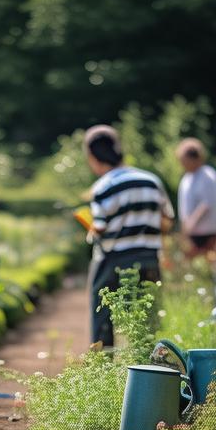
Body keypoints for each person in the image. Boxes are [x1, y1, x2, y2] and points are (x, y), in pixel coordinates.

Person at [83, 124, 175, 347]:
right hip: (149, 258)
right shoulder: (152, 181)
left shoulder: (103, 187)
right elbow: (167, 220)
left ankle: (103, 359)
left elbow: (100, 227)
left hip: (113, 260)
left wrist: (91, 230)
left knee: (102, 312)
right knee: (148, 317)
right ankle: (148, 360)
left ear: (93, 157)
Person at [175, 137, 216, 258]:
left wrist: (190, 225)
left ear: (193, 158)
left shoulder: (208, 176)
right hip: (190, 234)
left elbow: (206, 204)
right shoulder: (187, 178)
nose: (182, 164)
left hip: (205, 234)